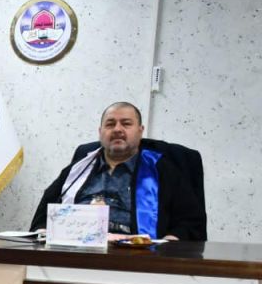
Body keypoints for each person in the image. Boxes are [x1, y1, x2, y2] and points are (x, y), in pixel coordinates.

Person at [29, 102, 206, 240]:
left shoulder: (162, 169)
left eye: (126, 124)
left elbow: (190, 221)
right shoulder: (78, 168)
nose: (117, 129)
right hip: (77, 253)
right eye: (110, 124)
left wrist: (169, 244)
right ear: (100, 132)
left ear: (140, 131)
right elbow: (44, 214)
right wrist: (44, 233)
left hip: (136, 258)